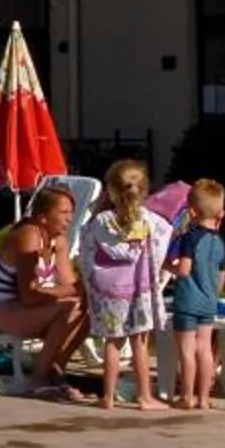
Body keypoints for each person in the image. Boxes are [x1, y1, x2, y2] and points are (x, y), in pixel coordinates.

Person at [76, 157, 171, 412]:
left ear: (112, 190)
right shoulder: (150, 221)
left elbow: (84, 250)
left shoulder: (100, 221)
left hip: (108, 293)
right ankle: (144, 396)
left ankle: (107, 396)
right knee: (139, 344)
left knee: (112, 343)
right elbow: (163, 246)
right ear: (144, 189)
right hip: (138, 291)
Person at [0, 184, 88, 398]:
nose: (70, 218)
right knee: (69, 307)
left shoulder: (59, 241)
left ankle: (55, 371)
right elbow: (29, 294)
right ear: (43, 216)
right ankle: (36, 381)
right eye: (63, 212)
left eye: (71, 212)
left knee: (86, 309)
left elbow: (69, 285)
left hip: (26, 307)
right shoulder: (28, 236)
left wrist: (85, 290)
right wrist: (76, 290)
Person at [166, 178, 225, 411]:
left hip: (187, 301)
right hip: (208, 302)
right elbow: (222, 275)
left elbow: (183, 269)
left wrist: (166, 266)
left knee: (187, 350)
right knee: (204, 349)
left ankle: (186, 396)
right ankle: (203, 397)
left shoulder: (190, 237)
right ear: (221, 212)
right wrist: (213, 293)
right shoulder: (221, 242)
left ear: (191, 211)